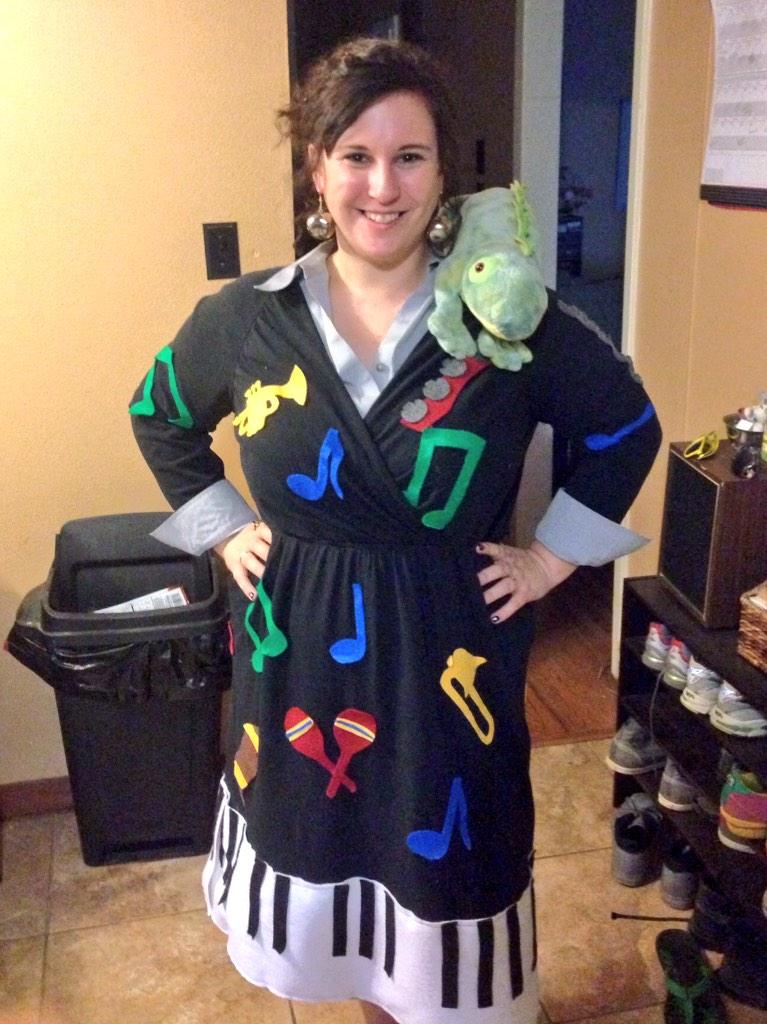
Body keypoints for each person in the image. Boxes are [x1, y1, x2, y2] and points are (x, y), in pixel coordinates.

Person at [130, 36, 661, 1024]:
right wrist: (224, 528)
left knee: (441, 897)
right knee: (337, 899)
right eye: (356, 156)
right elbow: (160, 413)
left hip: (445, 656)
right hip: (298, 660)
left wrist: (551, 559)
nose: (382, 186)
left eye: (409, 156)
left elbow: (626, 427)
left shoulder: (504, 321)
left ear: (442, 172)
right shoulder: (246, 318)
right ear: (316, 168)